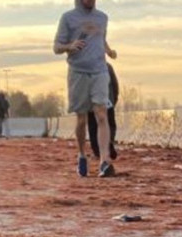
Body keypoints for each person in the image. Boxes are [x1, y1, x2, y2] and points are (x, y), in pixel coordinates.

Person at [54, 0, 117, 177]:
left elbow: (101, 39)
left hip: (100, 70)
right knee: (81, 119)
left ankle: (104, 161)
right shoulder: (68, 18)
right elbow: (56, 47)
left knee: (102, 114)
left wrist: (109, 51)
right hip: (78, 72)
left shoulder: (102, 17)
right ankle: (82, 154)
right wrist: (69, 46)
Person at [87, 61, 119, 161]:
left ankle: (97, 151)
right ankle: (109, 142)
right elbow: (115, 84)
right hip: (108, 101)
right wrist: (114, 100)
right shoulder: (107, 66)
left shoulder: (86, 66)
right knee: (110, 124)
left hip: (92, 103)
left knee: (93, 127)